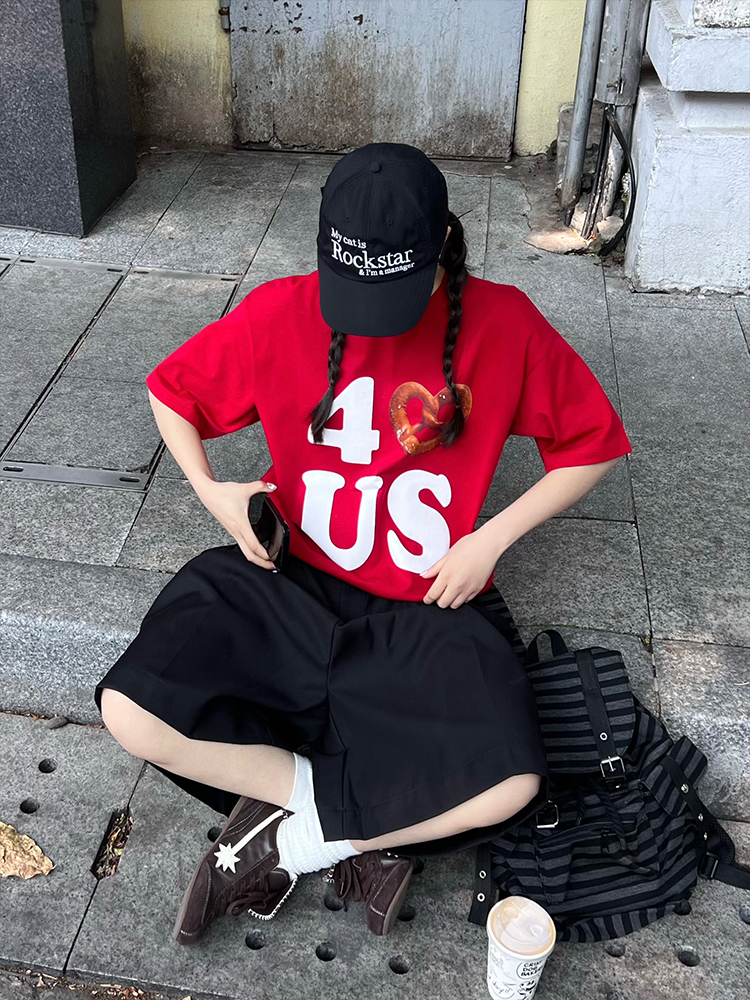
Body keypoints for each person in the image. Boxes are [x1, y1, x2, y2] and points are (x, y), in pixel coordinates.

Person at [93, 142, 632, 946]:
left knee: (513, 782)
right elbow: (171, 392)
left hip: (427, 605)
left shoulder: (505, 323)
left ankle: (293, 843)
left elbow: (594, 443)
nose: (373, 323)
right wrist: (213, 492)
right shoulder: (280, 309)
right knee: (130, 709)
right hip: (285, 583)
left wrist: (490, 539)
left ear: (442, 242)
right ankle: (349, 819)